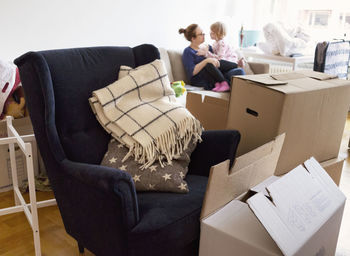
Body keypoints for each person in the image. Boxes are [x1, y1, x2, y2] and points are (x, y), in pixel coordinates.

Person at [179, 24, 244, 92]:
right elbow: (192, 72)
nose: (204, 35)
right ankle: (225, 83)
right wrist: (206, 61)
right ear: (193, 38)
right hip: (204, 79)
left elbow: (219, 60)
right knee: (210, 65)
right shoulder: (188, 51)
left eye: (203, 33)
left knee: (240, 71)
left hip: (218, 74)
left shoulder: (208, 47)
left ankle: (227, 82)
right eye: (201, 34)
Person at [197, 21, 245, 92]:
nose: (210, 33)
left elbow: (220, 58)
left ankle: (224, 83)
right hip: (223, 63)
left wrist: (206, 54)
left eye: (212, 32)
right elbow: (214, 56)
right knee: (208, 65)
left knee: (212, 63)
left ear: (218, 34)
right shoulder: (215, 43)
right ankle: (218, 84)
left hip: (230, 63)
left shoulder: (221, 43)